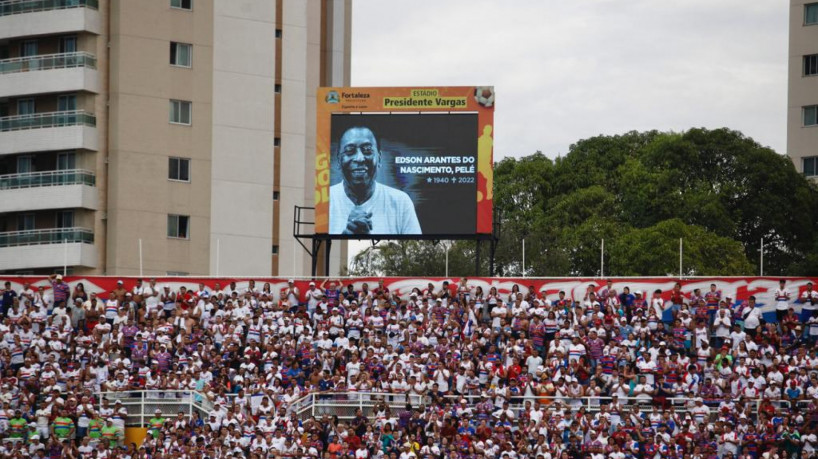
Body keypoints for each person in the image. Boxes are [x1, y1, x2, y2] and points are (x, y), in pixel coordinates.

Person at [329, 126, 421, 235]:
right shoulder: (325, 200)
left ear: (379, 158)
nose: (359, 158)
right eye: (349, 151)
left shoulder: (400, 202)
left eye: (367, 150)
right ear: (339, 160)